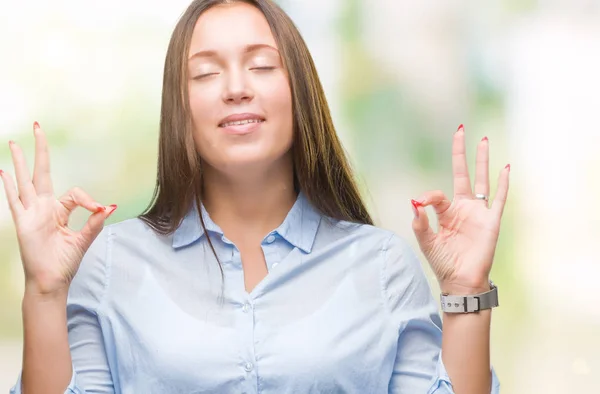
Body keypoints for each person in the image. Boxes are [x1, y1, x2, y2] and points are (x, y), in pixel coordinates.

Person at [1, 0, 509, 393]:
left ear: (301, 91)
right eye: (205, 72)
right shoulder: (112, 263)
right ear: (180, 107)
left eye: (262, 66)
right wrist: (45, 291)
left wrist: (467, 288)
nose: (236, 87)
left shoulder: (382, 266)